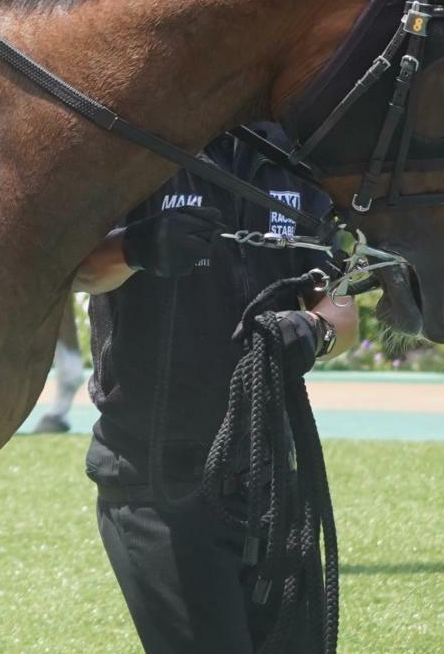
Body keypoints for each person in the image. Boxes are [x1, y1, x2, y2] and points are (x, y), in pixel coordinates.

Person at [81, 124, 357, 652]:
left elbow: (339, 305)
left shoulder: (296, 159)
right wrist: (135, 248)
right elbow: (77, 270)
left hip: (275, 479)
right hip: (159, 485)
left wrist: (315, 332)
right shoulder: (138, 138)